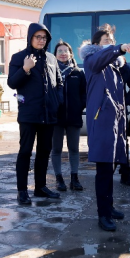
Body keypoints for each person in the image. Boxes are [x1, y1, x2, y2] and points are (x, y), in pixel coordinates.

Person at [80, 25, 130, 231]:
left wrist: (123, 105)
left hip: (116, 122)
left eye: (111, 40)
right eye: (106, 40)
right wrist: (119, 48)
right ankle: (103, 214)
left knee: (111, 166)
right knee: (104, 169)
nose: (109, 43)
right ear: (96, 44)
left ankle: (109, 206)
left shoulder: (115, 65)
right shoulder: (92, 60)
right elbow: (100, 59)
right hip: (101, 121)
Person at [8, 22, 63, 205]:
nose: (41, 40)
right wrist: (25, 69)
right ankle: (22, 191)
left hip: (48, 114)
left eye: (44, 37)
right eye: (38, 37)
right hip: (29, 114)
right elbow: (12, 83)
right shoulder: (19, 57)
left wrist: (57, 101)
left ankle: (40, 186)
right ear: (30, 37)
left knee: (44, 152)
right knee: (25, 152)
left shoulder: (51, 58)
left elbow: (59, 83)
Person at [50, 40, 86, 191]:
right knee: (56, 149)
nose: (63, 53)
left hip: (73, 117)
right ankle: (59, 179)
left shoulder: (78, 73)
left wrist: (79, 107)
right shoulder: (51, 72)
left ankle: (74, 178)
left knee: (74, 149)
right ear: (55, 55)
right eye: (60, 51)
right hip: (56, 118)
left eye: (66, 51)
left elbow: (84, 94)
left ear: (71, 54)